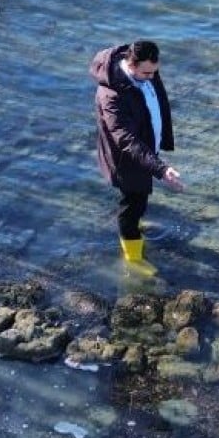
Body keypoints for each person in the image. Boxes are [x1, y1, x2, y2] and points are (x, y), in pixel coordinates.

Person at [90, 40, 185, 277]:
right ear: (130, 64)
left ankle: (135, 228)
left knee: (139, 200)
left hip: (146, 151)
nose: (152, 77)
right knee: (132, 205)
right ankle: (133, 258)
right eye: (146, 73)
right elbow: (126, 140)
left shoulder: (145, 71)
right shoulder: (110, 95)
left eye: (155, 72)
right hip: (127, 160)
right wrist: (161, 169)